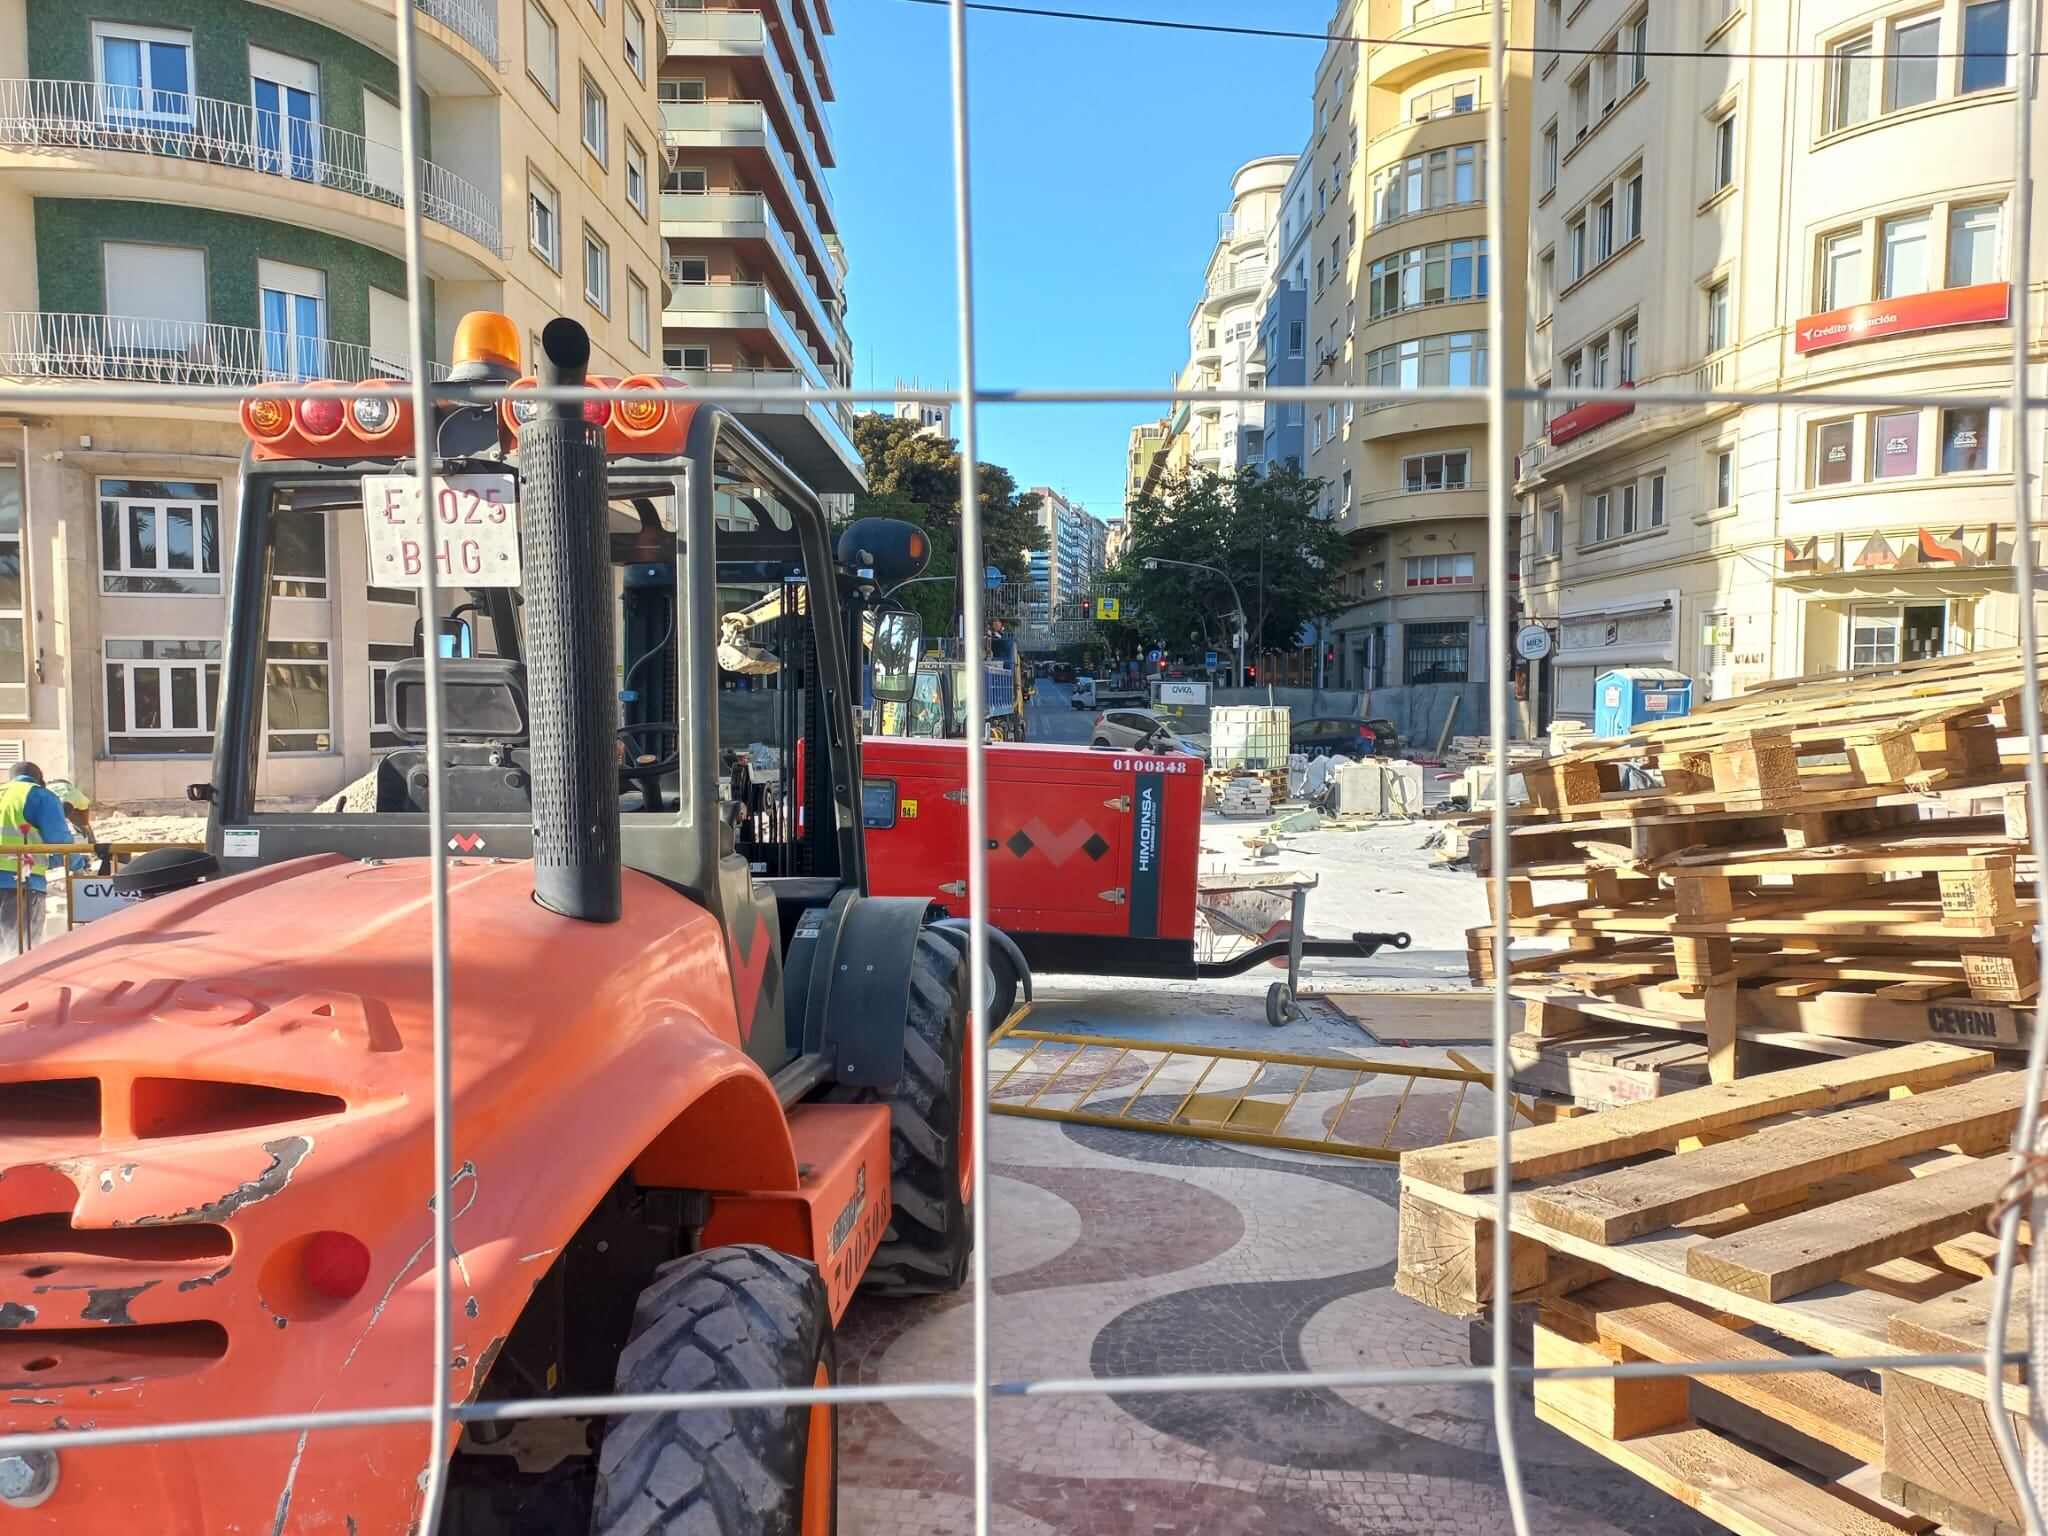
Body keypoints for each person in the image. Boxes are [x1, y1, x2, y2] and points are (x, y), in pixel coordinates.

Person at [0, 762, 75, 957]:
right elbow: (60, 840)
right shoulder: (38, 795)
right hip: (21, 883)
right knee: (21, 952)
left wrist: (49, 861)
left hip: (16, 878)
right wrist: (77, 862)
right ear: (39, 778)